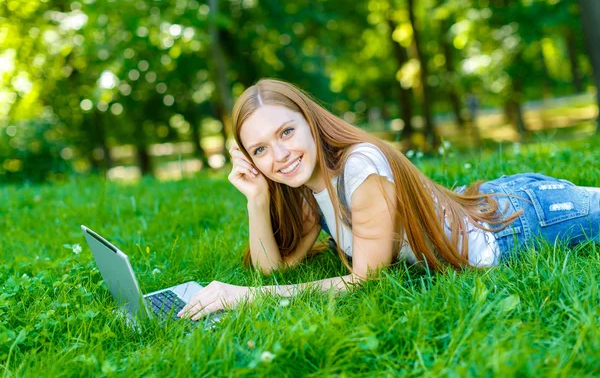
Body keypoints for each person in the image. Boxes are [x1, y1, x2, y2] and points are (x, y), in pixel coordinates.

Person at [178, 78, 600, 321]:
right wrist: (256, 197)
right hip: (485, 199)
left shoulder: (359, 167)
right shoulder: (304, 185)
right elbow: (272, 269)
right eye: (260, 150)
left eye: (286, 132)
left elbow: (367, 279)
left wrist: (245, 297)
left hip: (521, 223)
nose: (280, 156)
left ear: (310, 121)